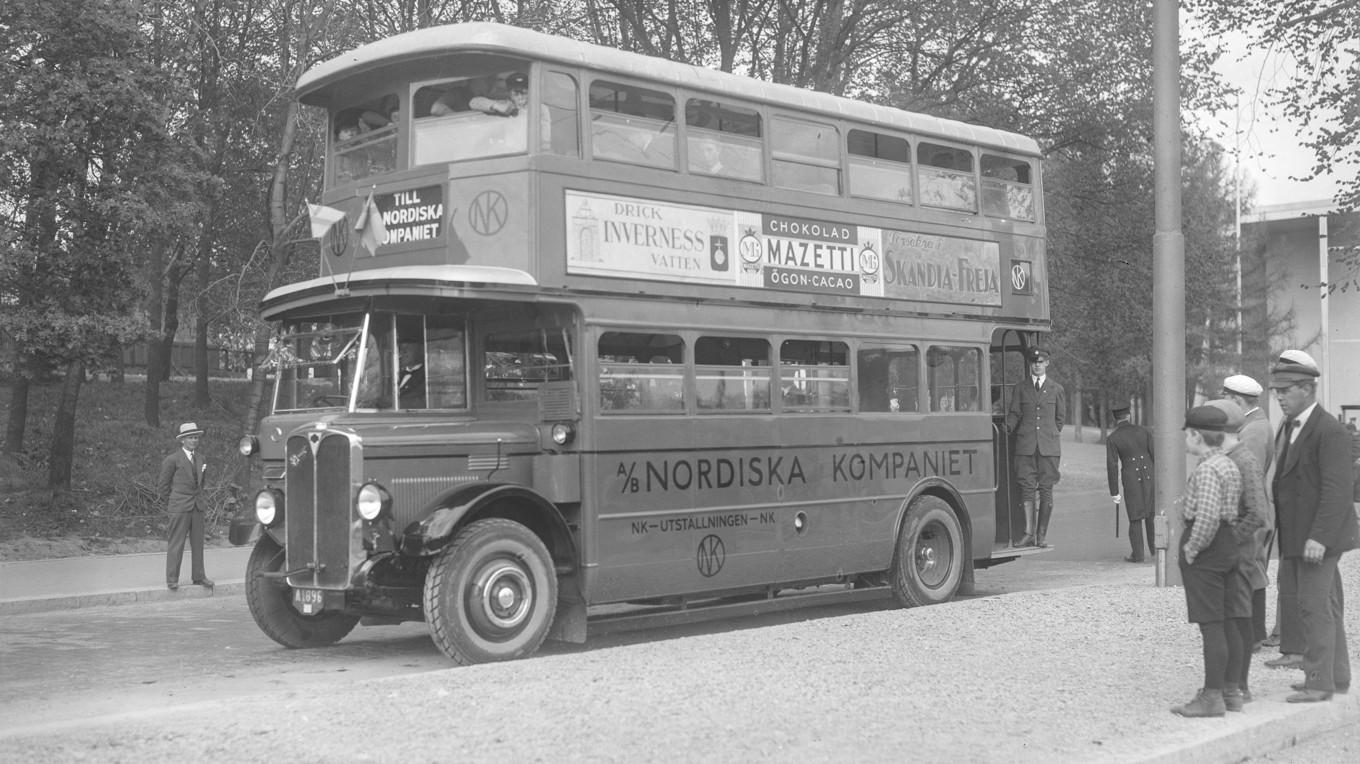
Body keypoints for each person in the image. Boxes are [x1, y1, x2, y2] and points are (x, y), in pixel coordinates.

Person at [1266, 349, 1359, 702]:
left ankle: (1318, 682)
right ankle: (1336, 676)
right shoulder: (1293, 426)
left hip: (1318, 538)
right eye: (1276, 391)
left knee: (1313, 606)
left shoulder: (1328, 430)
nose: (1279, 397)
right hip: (1300, 535)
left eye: (1285, 391)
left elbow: (1338, 491)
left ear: (1306, 389)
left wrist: (1319, 537)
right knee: (1328, 605)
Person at [1171, 404, 1246, 717]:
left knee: (1211, 625)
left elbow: (1207, 518)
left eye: (1187, 435)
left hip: (1208, 550)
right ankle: (1231, 691)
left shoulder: (1206, 469)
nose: (1186, 440)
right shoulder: (1227, 464)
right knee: (1229, 621)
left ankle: (1211, 697)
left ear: (1195, 435)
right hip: (1228, 546)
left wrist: (1191, 549)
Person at [1204, 398, 1269, 709]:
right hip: (1231, 554)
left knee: (1239, 619)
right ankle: (1234, 685)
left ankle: (1239, 687)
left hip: (1239, 555)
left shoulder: (1244, 460)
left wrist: (1229, 542)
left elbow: (1258, 512)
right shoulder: (1227, 457)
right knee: (1233, 618)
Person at [1221, 373, 1274, 650]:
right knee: (1252, 566)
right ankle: (1254, 632)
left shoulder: (1252, 430)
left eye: (1228, 399)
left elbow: (1247, 477)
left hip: (1250, 511)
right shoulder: (1254, 424)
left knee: (1250, 568)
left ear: (1238, 400)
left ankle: (1253, 634)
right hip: (1255, 508)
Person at [1004, 347, 1065, 547]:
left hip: (1048, 448)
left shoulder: (1056, 389)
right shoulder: (1021, 388)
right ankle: (1028, 534)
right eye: (1034, 362)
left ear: (1047, 363)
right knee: (1027, 489)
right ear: (1030, 364)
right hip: (1026, 446)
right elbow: (1014, 413)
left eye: (1041, 362)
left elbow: (1060, 420)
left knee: (1046, 490)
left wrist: (1047, 435)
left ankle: (1041, 536)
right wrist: (1008, 426)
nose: (1037, 365)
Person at [158, 422, 213, 591]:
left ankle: (199, 577)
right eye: (190, 437)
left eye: (196, 437)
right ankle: (172, 579)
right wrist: (174, 502)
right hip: (179, 507)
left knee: (198, 544)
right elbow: (163, 486)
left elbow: (201, 484)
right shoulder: (172, 459)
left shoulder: (201, 458)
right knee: (176, 543)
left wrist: (200, 500)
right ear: (182, 440)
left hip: (197, 507)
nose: (194, 440)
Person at [1106, 405, 1155, 562]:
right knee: (1151, 514)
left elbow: (1112, 465)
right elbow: (1155, 455)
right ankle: (1156, 552)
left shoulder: (1113, 438)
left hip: (1131, 478)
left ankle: (1138, 555)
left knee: (1135, 517)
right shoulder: (1144, 431)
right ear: (1129, 415)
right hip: (1149, 474)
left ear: (1115, 419)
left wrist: (1114, 492)